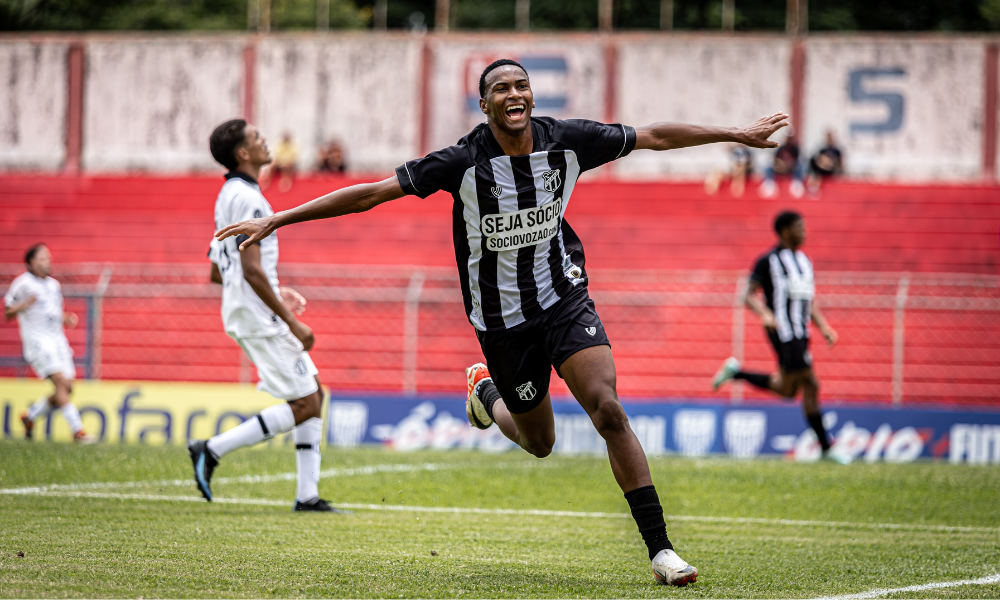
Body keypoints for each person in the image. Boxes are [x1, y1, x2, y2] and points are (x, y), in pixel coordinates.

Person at [215, 59, 788, 585]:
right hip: (501, 322)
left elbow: (656, 137)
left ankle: (660, 550)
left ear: (530, 96)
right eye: (500, 89)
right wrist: (282, 218)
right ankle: (485, 392)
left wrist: (739, 134)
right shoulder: (460, 161)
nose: (514, 94)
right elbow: (371, 194)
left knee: (608, 408)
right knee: (540, 443)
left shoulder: (569, 141)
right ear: (484, 106)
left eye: (520, 85)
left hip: (564, 299)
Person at [187, 119, 346, 513]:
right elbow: (252, 270)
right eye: (256, 137)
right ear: (243, 153)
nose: (264, 140)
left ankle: (307, 496)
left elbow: (215, 269)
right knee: (306, 403)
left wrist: (274, 292)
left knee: (313, 394)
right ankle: (212, 449)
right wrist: (290, 319)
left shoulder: (228, 195)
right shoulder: (250, 200)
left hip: (250, 309)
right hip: (261, 317)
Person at [711, 211, 842, 461]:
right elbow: (747, 295)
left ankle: (736, 372)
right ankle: (827, 449)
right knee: (811, 383)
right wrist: (765, 314)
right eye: (799, 227)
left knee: (788, 390)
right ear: (784, 231)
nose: (804, 231)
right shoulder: (768, 261)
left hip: (801, 333)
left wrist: (824, 327)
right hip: (782, 331)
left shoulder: (805, 262)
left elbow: (807, 301)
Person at [4, 244, 95, 444]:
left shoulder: (54, 285)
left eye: (49, 257)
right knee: (61, 383)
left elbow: (49, 313)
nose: (48, 261)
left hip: (57, 340)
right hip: (37, 341)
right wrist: (24, 304)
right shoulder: (23, 283)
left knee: (67, 387)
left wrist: (65, 319)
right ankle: (77, 431)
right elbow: (8, 311)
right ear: (31, 262)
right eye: (43, 258)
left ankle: (30, 417)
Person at [759, 132, 804, 199]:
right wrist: (781, 164)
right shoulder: (780, 148)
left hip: (792, 168)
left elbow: (796, 160)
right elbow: (776, 159)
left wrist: (789, 164)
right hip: (780, 167)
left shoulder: (795, 148)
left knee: (800, 165)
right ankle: (769, 183)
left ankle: (797, 182)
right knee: (768, 167)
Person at [806, 131, 844, 196]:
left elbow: (839, 163)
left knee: (822, 166)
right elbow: (817, 159)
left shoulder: (836, 151)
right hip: (822, 169)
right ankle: (812, 188)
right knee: (816, 170)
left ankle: (814, 189)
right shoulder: (823, 150)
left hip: (831, 169)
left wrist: (836, 169)